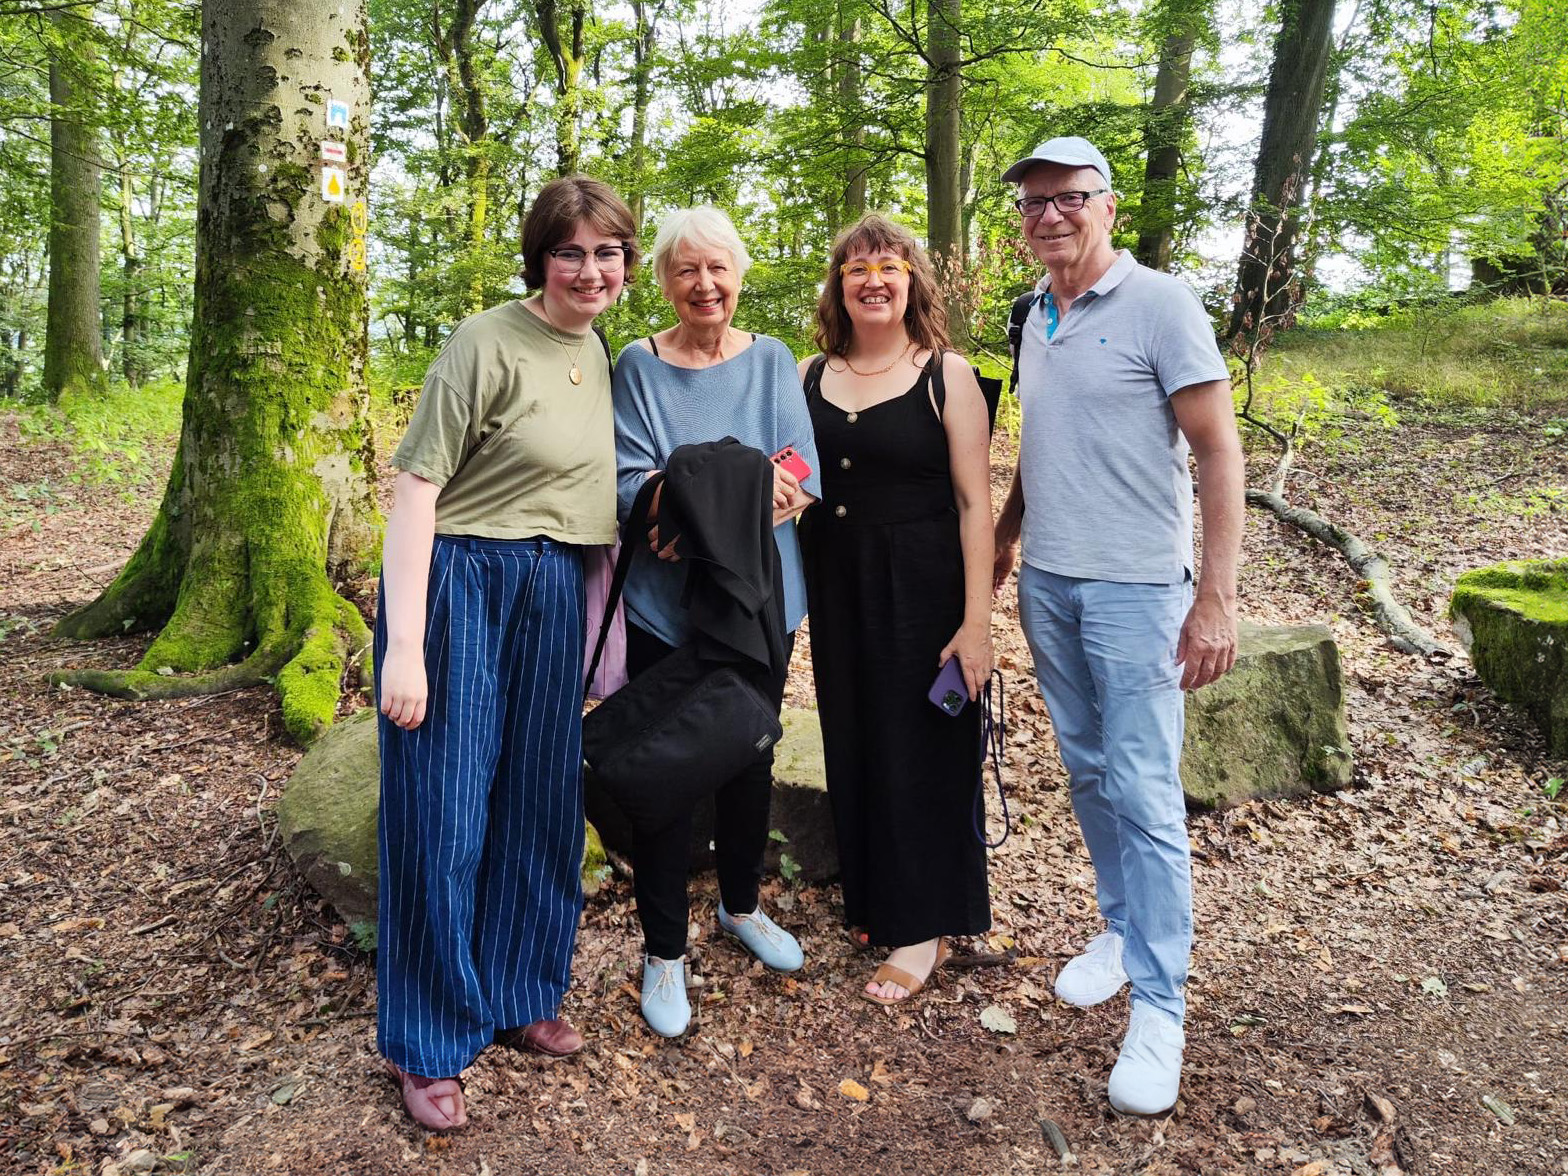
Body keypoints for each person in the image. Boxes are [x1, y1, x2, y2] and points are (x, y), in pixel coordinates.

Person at [375, 176, 639, 1130]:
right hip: (463, 586)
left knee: (539, 800)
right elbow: (414, 491)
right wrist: (405, 645)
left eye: (607, 252)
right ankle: (431, 1036)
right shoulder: (485, 341)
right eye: (570, 251)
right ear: (541, 258)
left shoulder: (601, 349)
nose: (590, 269)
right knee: (442, 811)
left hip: (554, 589)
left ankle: (524, 990)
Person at [992, 136, 1244, 1115]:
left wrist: (1213, 596)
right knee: (1089, 771)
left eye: (1068, 199)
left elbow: (1217, 452)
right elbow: (1044, 445)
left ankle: (1159, 1005)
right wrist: (1009, 536)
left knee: (1141, 787)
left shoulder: (1162, 306)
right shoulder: (1033, 316)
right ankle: (1118, 927)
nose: (1047, 215)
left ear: (1106, 207)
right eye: (1032, 203)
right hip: (1049, 583)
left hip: (1138, 588)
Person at [611, 206, 821, 1038]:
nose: (705, 285)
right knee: (666, 770)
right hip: (666, 607)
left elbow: (800, 468)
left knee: (748, 755)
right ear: (663, 280)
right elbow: (631, 481)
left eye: (718, 268)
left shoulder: (772, 361)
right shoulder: (639, 363)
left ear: (740, 275)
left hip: (767, 604)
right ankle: (664, 948)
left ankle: (741, 904)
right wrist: (722, 492)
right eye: (686, 270)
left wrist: (706, 501)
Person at [798, 212, 995, 1007]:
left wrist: (976, 624)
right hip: (836, 587)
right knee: (854, 740)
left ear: (913, 281)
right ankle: (877, 900)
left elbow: (976, 505)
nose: (873, 280)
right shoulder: (808, 375)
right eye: (856, 269)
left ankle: (924, 926)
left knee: (924, 747)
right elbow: (788, 476)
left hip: (923, 586)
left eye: (889, 266)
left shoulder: (946, 374)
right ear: (838, 287)